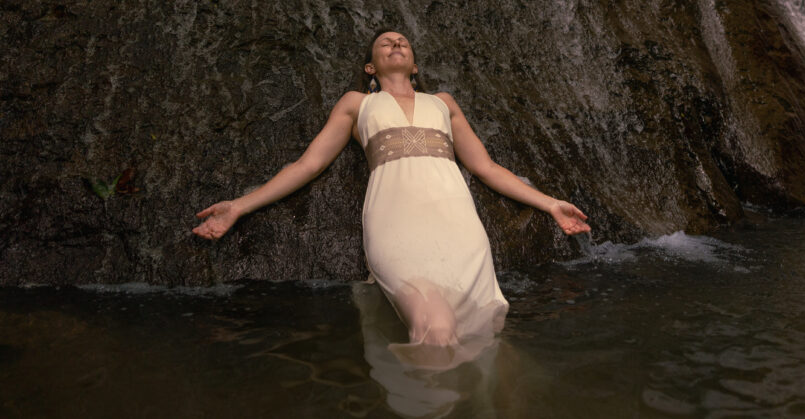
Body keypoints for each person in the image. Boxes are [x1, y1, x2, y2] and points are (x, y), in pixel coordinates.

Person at [193, 30, 591, 366]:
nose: (395, 43)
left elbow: (486, 168)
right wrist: (239, 206)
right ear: (371, 67)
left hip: (457, 223)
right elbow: (307, 165)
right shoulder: (357, 104)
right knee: (434, 326)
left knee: (485, 334)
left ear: (415, 66)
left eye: (402, 41)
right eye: (384, 43)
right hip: (396, 221)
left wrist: (549, 203)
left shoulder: (444, 103)